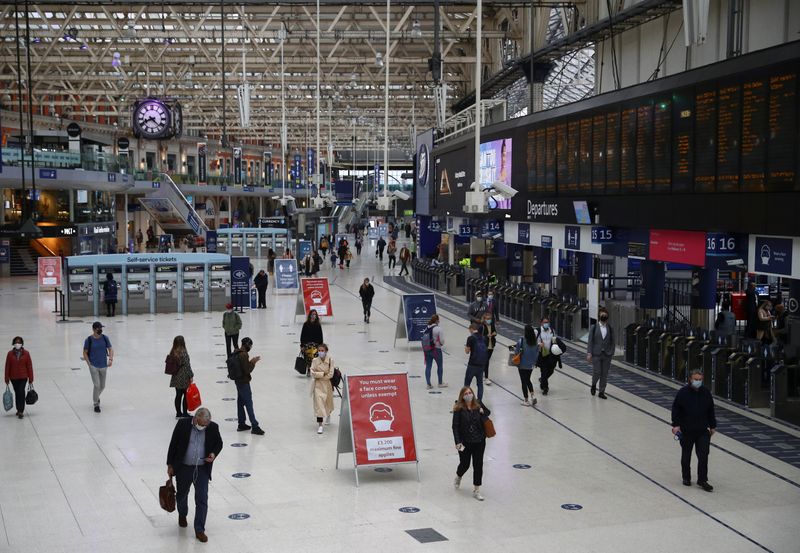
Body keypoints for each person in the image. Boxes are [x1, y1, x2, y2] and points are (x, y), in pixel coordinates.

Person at [166, 407, 223, 543]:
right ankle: (182, 514)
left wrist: (213, 454)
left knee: (202, 498)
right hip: (184, 467)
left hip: (202, 469)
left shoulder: (213, 427)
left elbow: (219, 443)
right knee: (181, 496)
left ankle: (199, 529)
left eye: (206, 424)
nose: (204, 427)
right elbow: (173, 444)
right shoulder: (183, 425)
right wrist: (170, 464)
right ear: (196, 418)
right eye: (202, 424)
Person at [671, 369, 717, 491]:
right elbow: (676, 409)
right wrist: (676, 425)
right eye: (696, 379)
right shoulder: (683, 393)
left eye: (700, 379)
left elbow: (711, 410)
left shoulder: (706, 393)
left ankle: (702, 479)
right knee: (686, 455)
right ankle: (686, 477)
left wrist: (713, 426)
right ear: (690, 379)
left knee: (703, 455)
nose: (698, 381)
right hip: (686, 430)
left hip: (702, 430)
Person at [452, 386, 491, 501]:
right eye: (466, 393)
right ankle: (459, 476)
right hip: (465, 442)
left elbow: (488, 413)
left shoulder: (478, 404)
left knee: (478, 464)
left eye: (470, 392)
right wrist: (457, 441)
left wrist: (482, 412)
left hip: (479, 440)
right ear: (462, 396)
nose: (469, 395)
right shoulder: (459, 408)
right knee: (465, 464)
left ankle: (477, 490)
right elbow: (455, 426)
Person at [231, 337, 265, 435]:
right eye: (250, 345)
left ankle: (241, 424)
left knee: (240, 402)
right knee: (249, 403)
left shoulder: (236, 351)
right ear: (247, 344)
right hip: (243, 382)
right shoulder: (243, 354)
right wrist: (253, 362)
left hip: (238, 381)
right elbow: (247, 370)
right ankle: (255, 425)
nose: (250, 347)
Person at [83, 322, 113, 413]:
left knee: (102, 386)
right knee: (97, 385)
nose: (100, 330)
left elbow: (110, 349)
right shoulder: (89, 340)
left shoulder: (105, 338)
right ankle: (96, 404)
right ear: (94, 329)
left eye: (101, 328)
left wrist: (111, 359)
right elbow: (84, 352)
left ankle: (96, 397)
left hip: (104, 365)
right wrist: (89, 363)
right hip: (94, 366)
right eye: (98, 328)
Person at [586, 308, 615, 399]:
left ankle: (601, 391)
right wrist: (589, 353)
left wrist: (611, 351)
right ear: (599, 316)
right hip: (596, 353)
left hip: (607, 354)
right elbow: (590, 341)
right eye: (602, 315)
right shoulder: (594, 328)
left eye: (605, 316)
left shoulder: (610, 328)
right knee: (597, 372)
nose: (604, 317)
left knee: (604, 373)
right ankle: (594, 384)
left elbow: (612, 341)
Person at [4, 336, 33, 419]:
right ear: (13, 343)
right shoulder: (10, 354)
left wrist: (31, 378)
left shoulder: (26, 353)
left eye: (19, 342)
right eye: (16, 342)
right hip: (13, 377)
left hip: (23, 377)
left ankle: (21, 410)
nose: (18, 344)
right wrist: (6, 378)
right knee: (17, 393)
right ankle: (18, 409)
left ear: (22, 343)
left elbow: (29, 366)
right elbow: (7, 366)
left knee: (21, 391)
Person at [310, 343, 335, 434]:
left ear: (326, 351)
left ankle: (328, 415)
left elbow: (331, 374)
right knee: (319, 406)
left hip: (327, 385)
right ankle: (320, 425)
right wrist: (322, 374)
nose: (320, 352)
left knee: (328, 403)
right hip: (317, 386)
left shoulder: (331, 360)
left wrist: (318, 375)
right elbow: (312, 372)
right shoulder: (315, 360)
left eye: (322, 351)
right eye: (319, 351)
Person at [168, 336, 194, 418]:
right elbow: (187, 366)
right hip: (183, 376)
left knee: (178, 395)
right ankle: (185, 413)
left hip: (176, 376)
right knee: (185, 395)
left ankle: (178, 413)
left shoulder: (173, 351)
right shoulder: (183, 352)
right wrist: (191, 375)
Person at [513, 325, 539, 406]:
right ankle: (532, 395)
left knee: (523, 381)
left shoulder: (521, 340)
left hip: (522, 364)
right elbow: (537, 353)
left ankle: (526, 400)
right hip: (531, 365)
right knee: (528, 379)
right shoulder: (535, 342)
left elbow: (517, 352)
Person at [464, 323, 489, 401]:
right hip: (481, 365)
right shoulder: (484, 338)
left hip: (472, 364)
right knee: (480, 384)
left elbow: (467, 351)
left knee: (467, 384)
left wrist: (466, 346)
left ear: (471, 329)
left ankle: (467, 400)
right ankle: (479, 401)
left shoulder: (470, 338)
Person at [423, 314, 446, 389]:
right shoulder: (439, 329)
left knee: (428, 366)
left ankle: (428, 384)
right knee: (439, 366)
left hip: (427, 350)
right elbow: (442, 341)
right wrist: (440, 344)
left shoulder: (427, 328)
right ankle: (440, 383)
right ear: (437, 320)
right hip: (436, 350)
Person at [537, 318, 559, 395]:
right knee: (544, 370)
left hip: (550, 354)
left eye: (547, 322)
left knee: (551, 370)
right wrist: (539, 344)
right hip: (542, 354)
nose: (546, 323)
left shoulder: (552, 330)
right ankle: (545, 388)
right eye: (544, 322)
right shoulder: (538, 331)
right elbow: (534, 342)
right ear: (541, 323)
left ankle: (542, 380)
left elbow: (554, 340)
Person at [479, 312, 497, 386]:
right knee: (486, 361)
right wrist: (486, 336)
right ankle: (486, 377)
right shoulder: (482, 326)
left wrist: (493, 334)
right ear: (484, 319)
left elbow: (495, 332)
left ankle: (482, 371)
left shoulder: (492, 325)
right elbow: (479, 336)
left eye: (490, 319)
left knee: (487, 360)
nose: (489, 320)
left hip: (491, 345)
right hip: (484, 345)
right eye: (488, 319)